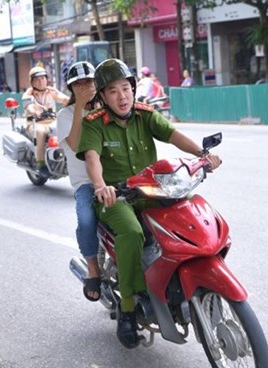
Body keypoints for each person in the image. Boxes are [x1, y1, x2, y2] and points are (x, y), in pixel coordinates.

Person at [76, 58, 221, 349]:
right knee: (132, 232)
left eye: (126, 88)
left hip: (153, 191)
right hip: (116, 197)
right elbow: (92, 160)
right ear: (103, 96)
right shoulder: (93, 124)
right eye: (114, 91)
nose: (122, 96)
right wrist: (102, 187)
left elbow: (173, 135)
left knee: (189, 211)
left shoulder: (145, 115)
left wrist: (202, 154)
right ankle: (128, 308)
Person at [56, 61, 101, 301]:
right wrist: (80, 108)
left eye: (89, 81)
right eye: (79, 84)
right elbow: (74, 144)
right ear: (72, 88)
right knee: (85, 220)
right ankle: (92, 266)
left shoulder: (106, 105)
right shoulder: (64, 115)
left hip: (113, 176)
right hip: (86, 182)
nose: (85, 86)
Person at [22, 66, 69, 178]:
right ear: (32, 81)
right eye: (37, 79)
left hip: (52, 121)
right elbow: (28, 106)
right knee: (40, 132)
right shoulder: (29, 93)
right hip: (35, 123)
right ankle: (41, 164)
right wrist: (35, 111)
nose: (41, 81)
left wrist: (74, 103)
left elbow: (64, 99)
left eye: (43, 78)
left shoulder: (51, 91)